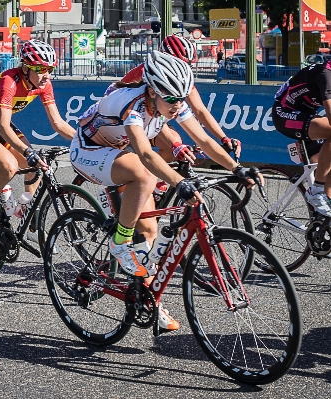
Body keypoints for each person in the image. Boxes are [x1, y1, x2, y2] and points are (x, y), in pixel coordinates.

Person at [71, 51, 260, 331]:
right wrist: (178, 182)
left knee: (149, 232)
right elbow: (146, 154)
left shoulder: (171, 102)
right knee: (144, 175)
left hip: (118, 153)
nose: (177, 106)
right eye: (171, 99)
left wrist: (237, 168)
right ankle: (119, 242)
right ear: (152, 91)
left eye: (181, 98)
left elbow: (204, 140)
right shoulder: (132, 105)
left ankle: (148, 300)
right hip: (88, 151)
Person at [0, 40, 75, 245]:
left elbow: (58, 123)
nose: (46, 75)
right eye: (40, 69)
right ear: (25, 67)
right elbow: (4, 127)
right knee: (9, 166)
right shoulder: (9, 81)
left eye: (50, 69)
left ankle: (31, 226)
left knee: (36, 165)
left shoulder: (44, 84)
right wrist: (26, 151)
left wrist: (84, 140)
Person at [105, 35, 241, 162]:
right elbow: (152, 115)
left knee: (173, 146)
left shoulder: (179, 78)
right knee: (146, 165)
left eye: (189, 66)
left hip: (148, 117)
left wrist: (223, 138)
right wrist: (174, 145)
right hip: (121, 118)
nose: (184, 70)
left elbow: (200, 110)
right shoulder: (149, 75)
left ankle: (156, 185)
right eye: (182, 64)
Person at [272, 61, 331, 216]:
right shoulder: (326, 74)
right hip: (284, 113)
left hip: (306, 115)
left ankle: (323, 220)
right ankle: (316, 191)